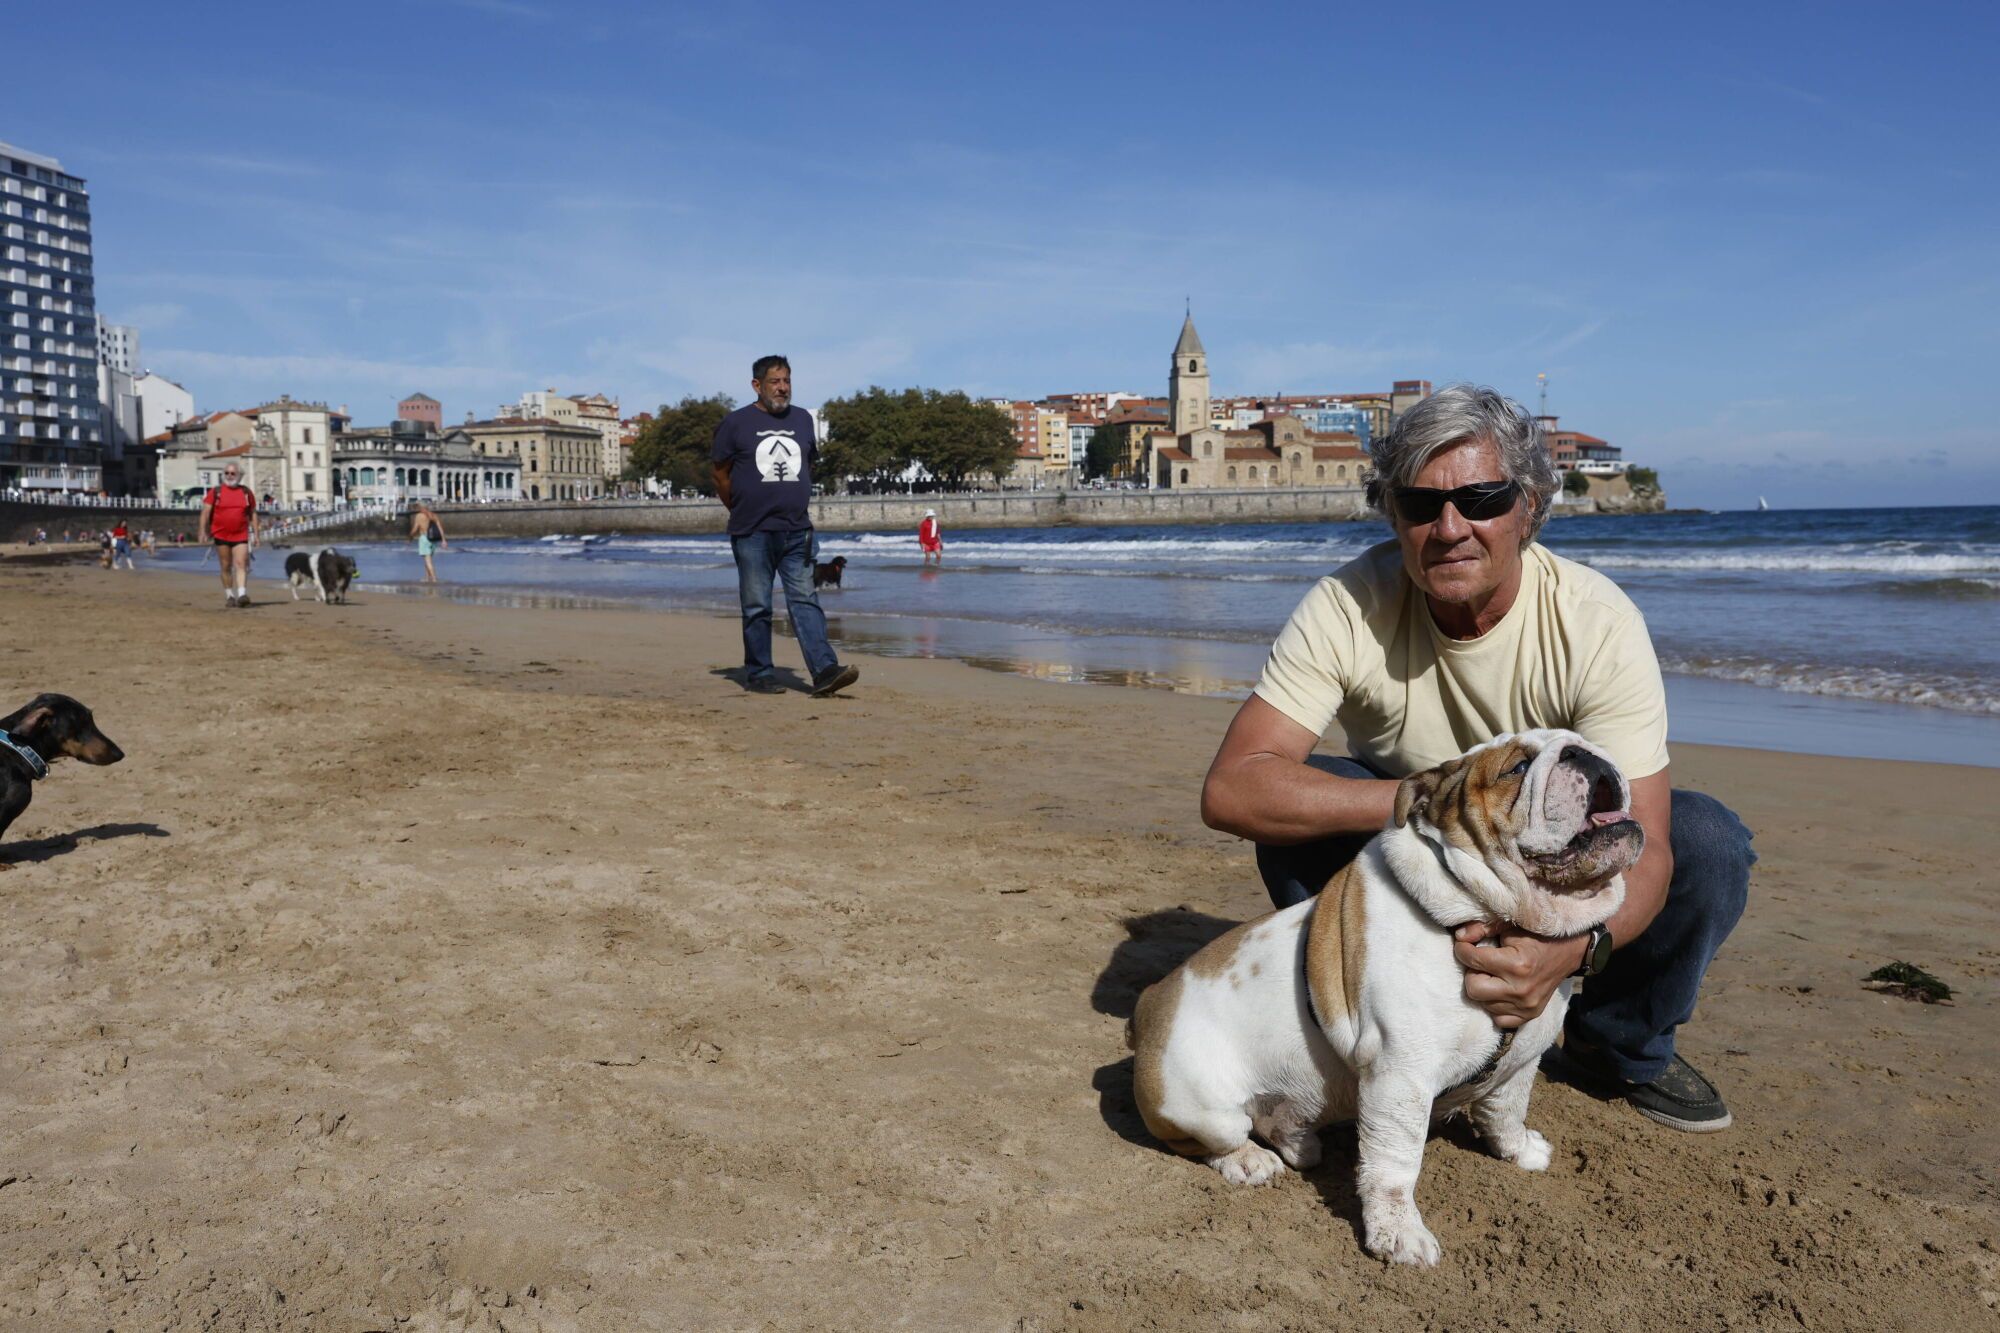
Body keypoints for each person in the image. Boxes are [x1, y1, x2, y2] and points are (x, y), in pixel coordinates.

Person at [1199, 384, 1752, 1133]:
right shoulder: (1350, 604)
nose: (1450, 528)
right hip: (1421, 866)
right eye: (1422, 506)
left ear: (1528, 506)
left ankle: (1617, 1046)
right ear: (1393, 514)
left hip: (1556, 864)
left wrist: (1571, 954)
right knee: (1303, 803)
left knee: (1705, 841)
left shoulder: (1594, 622)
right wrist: (1425, 801)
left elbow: (1646, 845)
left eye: (1481, 498)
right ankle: (1396, 1030)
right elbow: (1234, 786)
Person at [710, 354, 858, 697]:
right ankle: (760, 673)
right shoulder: (736, 423)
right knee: (758, 605)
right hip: (752, 533)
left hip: (797, 531)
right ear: (756, 385)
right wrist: (743, 507)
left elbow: (806, 467)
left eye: (787, 381)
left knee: (805, 600)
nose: (782, 388)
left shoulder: (804, 420)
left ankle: (824, 670)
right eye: (775, 382)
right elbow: (720, 475)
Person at [198, 466, 259, 605]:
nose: (229, 475)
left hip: (240, 534)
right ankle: (229, 595)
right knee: (226, 566)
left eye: (233, 473)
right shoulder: (216, 492)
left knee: (241, 563)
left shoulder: (246, 492)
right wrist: (202, 530)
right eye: (227, 473)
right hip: (221, 534)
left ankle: (242, 595)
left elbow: (253, 513)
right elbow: (206, 512)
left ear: (239, 475)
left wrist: (256, 535)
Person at [411, 501, 447, 582]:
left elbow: (415, 529)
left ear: (421, 507)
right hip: (433, 539)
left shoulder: (419, 516)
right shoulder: (433, 515)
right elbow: (440, 528)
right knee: (428, 559)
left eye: (418, 507)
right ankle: (427, 578)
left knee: (428, 561)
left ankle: (434, 579)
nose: (417, 509)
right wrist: (443, 540)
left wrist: (410, 536)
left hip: (424, 538)